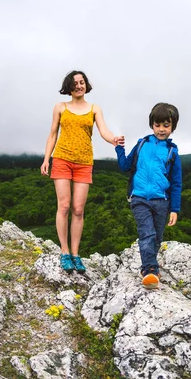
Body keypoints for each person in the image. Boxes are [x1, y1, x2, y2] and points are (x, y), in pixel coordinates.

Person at [41, 70, 124, 273]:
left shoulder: (95, 109)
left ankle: (76, 255)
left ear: (86, 85)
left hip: (84, 162)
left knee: (78, 209)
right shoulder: (60, 107)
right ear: (69, 87)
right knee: (64, 206)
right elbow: (53, 134)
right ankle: (64, 252)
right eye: (75, 83)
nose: (79, 85)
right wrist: (46, 159)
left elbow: (103, 129)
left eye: (82, 82)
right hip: (61, 159)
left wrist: (113, 139)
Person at [115, 102, 182, 289]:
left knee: (157, 238)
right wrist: (119, 149)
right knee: (147, 234)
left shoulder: (172, 152)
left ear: (173, 127)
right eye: (158, 124)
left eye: (166, 125)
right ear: (152, 124)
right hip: (139, 199)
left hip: (162, 202)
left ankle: (151, 265)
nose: (161, 129)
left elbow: (176, 183)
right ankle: (150, 270)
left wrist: (174, 209)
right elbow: (125, 166)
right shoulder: (142, 144)